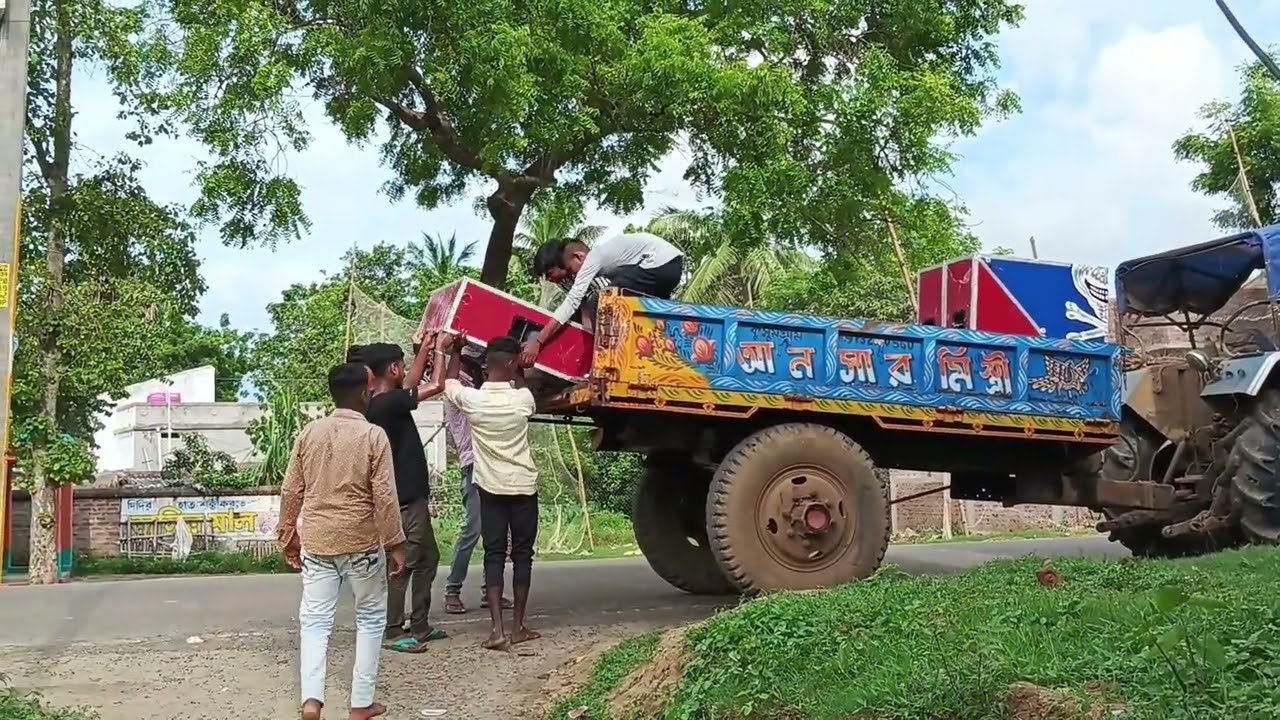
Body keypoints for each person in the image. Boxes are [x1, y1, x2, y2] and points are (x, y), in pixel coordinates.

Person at [276, 362, 407, 720]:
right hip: (363, 542)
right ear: (365, 393)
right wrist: (396, 543)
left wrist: (288, 535)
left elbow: (291, 489)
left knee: (315, 621)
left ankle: (312, 701)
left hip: (318, 541)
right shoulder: (373, 436)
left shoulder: (309, 434)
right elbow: (384, 495)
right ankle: (361, 704)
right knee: (369, 617)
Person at [438, 332, 541, 650]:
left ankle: (495, 631)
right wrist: (522, 369)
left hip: (490, 489)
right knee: (522, 556)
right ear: (511, 363)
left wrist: (455, 350)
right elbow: (525, 390)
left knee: (493, 556)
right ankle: (518, 627)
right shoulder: (522, 400)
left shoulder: (474, 401)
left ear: (486, 364)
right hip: (523, 487)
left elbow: (449, 383)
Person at [356, 340, 451, 653]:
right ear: (393, 368)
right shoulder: (387, 403)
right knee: (404, 564)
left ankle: (420, 624)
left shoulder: (382, 400)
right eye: (402, 364)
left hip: (410, 497)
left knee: (428, 559)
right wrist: (441, 351)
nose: (406, 370)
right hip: (406, 500)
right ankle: (393, 630)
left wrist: (426, 348)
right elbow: (435, 384)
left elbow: (410, 385)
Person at [521, 232, 684, 367]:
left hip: (660, 264)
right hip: (669, 266)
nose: (574, 275)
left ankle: (610, 359)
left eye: (571, 269)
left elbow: (573, 302)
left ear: (578, 256)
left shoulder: (593, 258)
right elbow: (581, 303)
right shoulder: (609, 258)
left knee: (601, 299)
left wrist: (539, 340)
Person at [442, 350, 513, 614]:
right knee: (472, 530)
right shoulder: (463, 397)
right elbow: (451, 382)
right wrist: (455, 353)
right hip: (475, 468)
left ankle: (489, 590)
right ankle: (452, 589)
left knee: (497, 533)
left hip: (492, 467)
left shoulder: (477, 395)